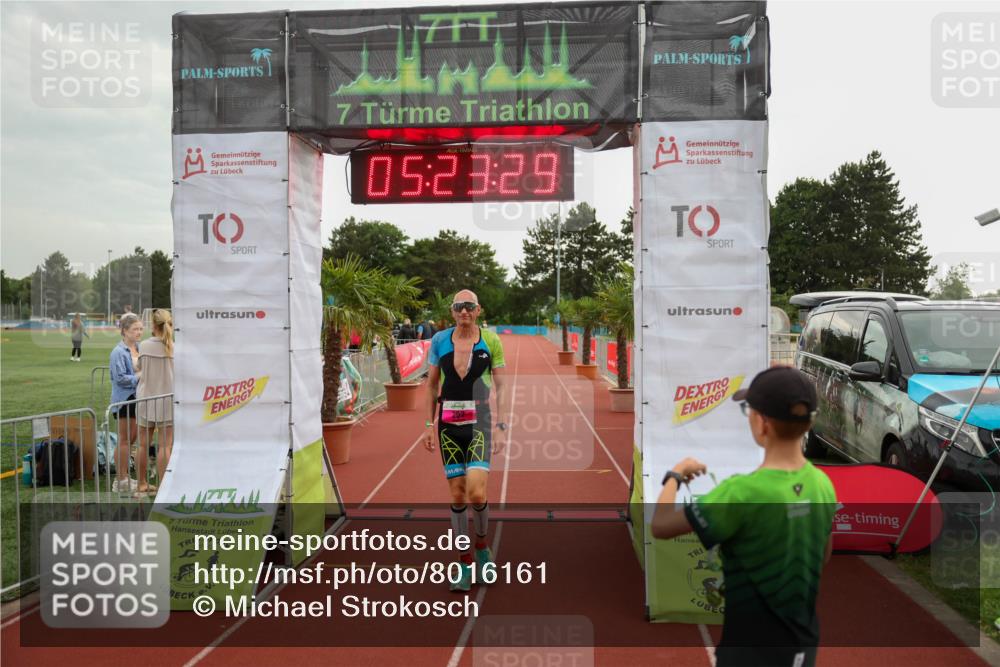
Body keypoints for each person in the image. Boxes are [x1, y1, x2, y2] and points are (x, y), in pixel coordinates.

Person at [650, 367, 837, 667]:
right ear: (809, 422)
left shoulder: (740, 492)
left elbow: (660, 525)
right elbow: (823, 555)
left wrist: (675, 475)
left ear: (762, 423)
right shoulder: (823, 484)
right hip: (801, 647)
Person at [423, 290, 508, 592]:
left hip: (480, 423)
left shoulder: (491, 341)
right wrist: (428, 424)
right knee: (458, 495)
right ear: (452, 311)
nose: (464, 311)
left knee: (476, 492)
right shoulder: (439, 341)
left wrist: (501, 425)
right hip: (448, 426)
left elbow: (502, 386)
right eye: (459, 307)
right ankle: (464, 562)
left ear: (478, 310)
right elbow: (432, 386)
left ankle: (482, 548)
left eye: (469, 306)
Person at [136, 309, 174, 496]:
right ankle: (163, 487)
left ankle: (142, 483)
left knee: (143, 445)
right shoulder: (174, 347)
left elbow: (139, 368)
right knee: (165, 446)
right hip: (167, 401)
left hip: (146, 399)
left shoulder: (144, 346)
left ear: (153, 325)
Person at [110, 312, 143, 494]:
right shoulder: (118, 352)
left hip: (138, 397)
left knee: (131, 440)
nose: (139, 332)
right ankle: (120, 480)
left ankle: (125, 478)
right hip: (125, 399)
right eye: (135, 329)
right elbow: (120, 379)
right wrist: (140, 376)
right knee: (124, 440)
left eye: (141, 329)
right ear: (124, 330)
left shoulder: (140, 347)